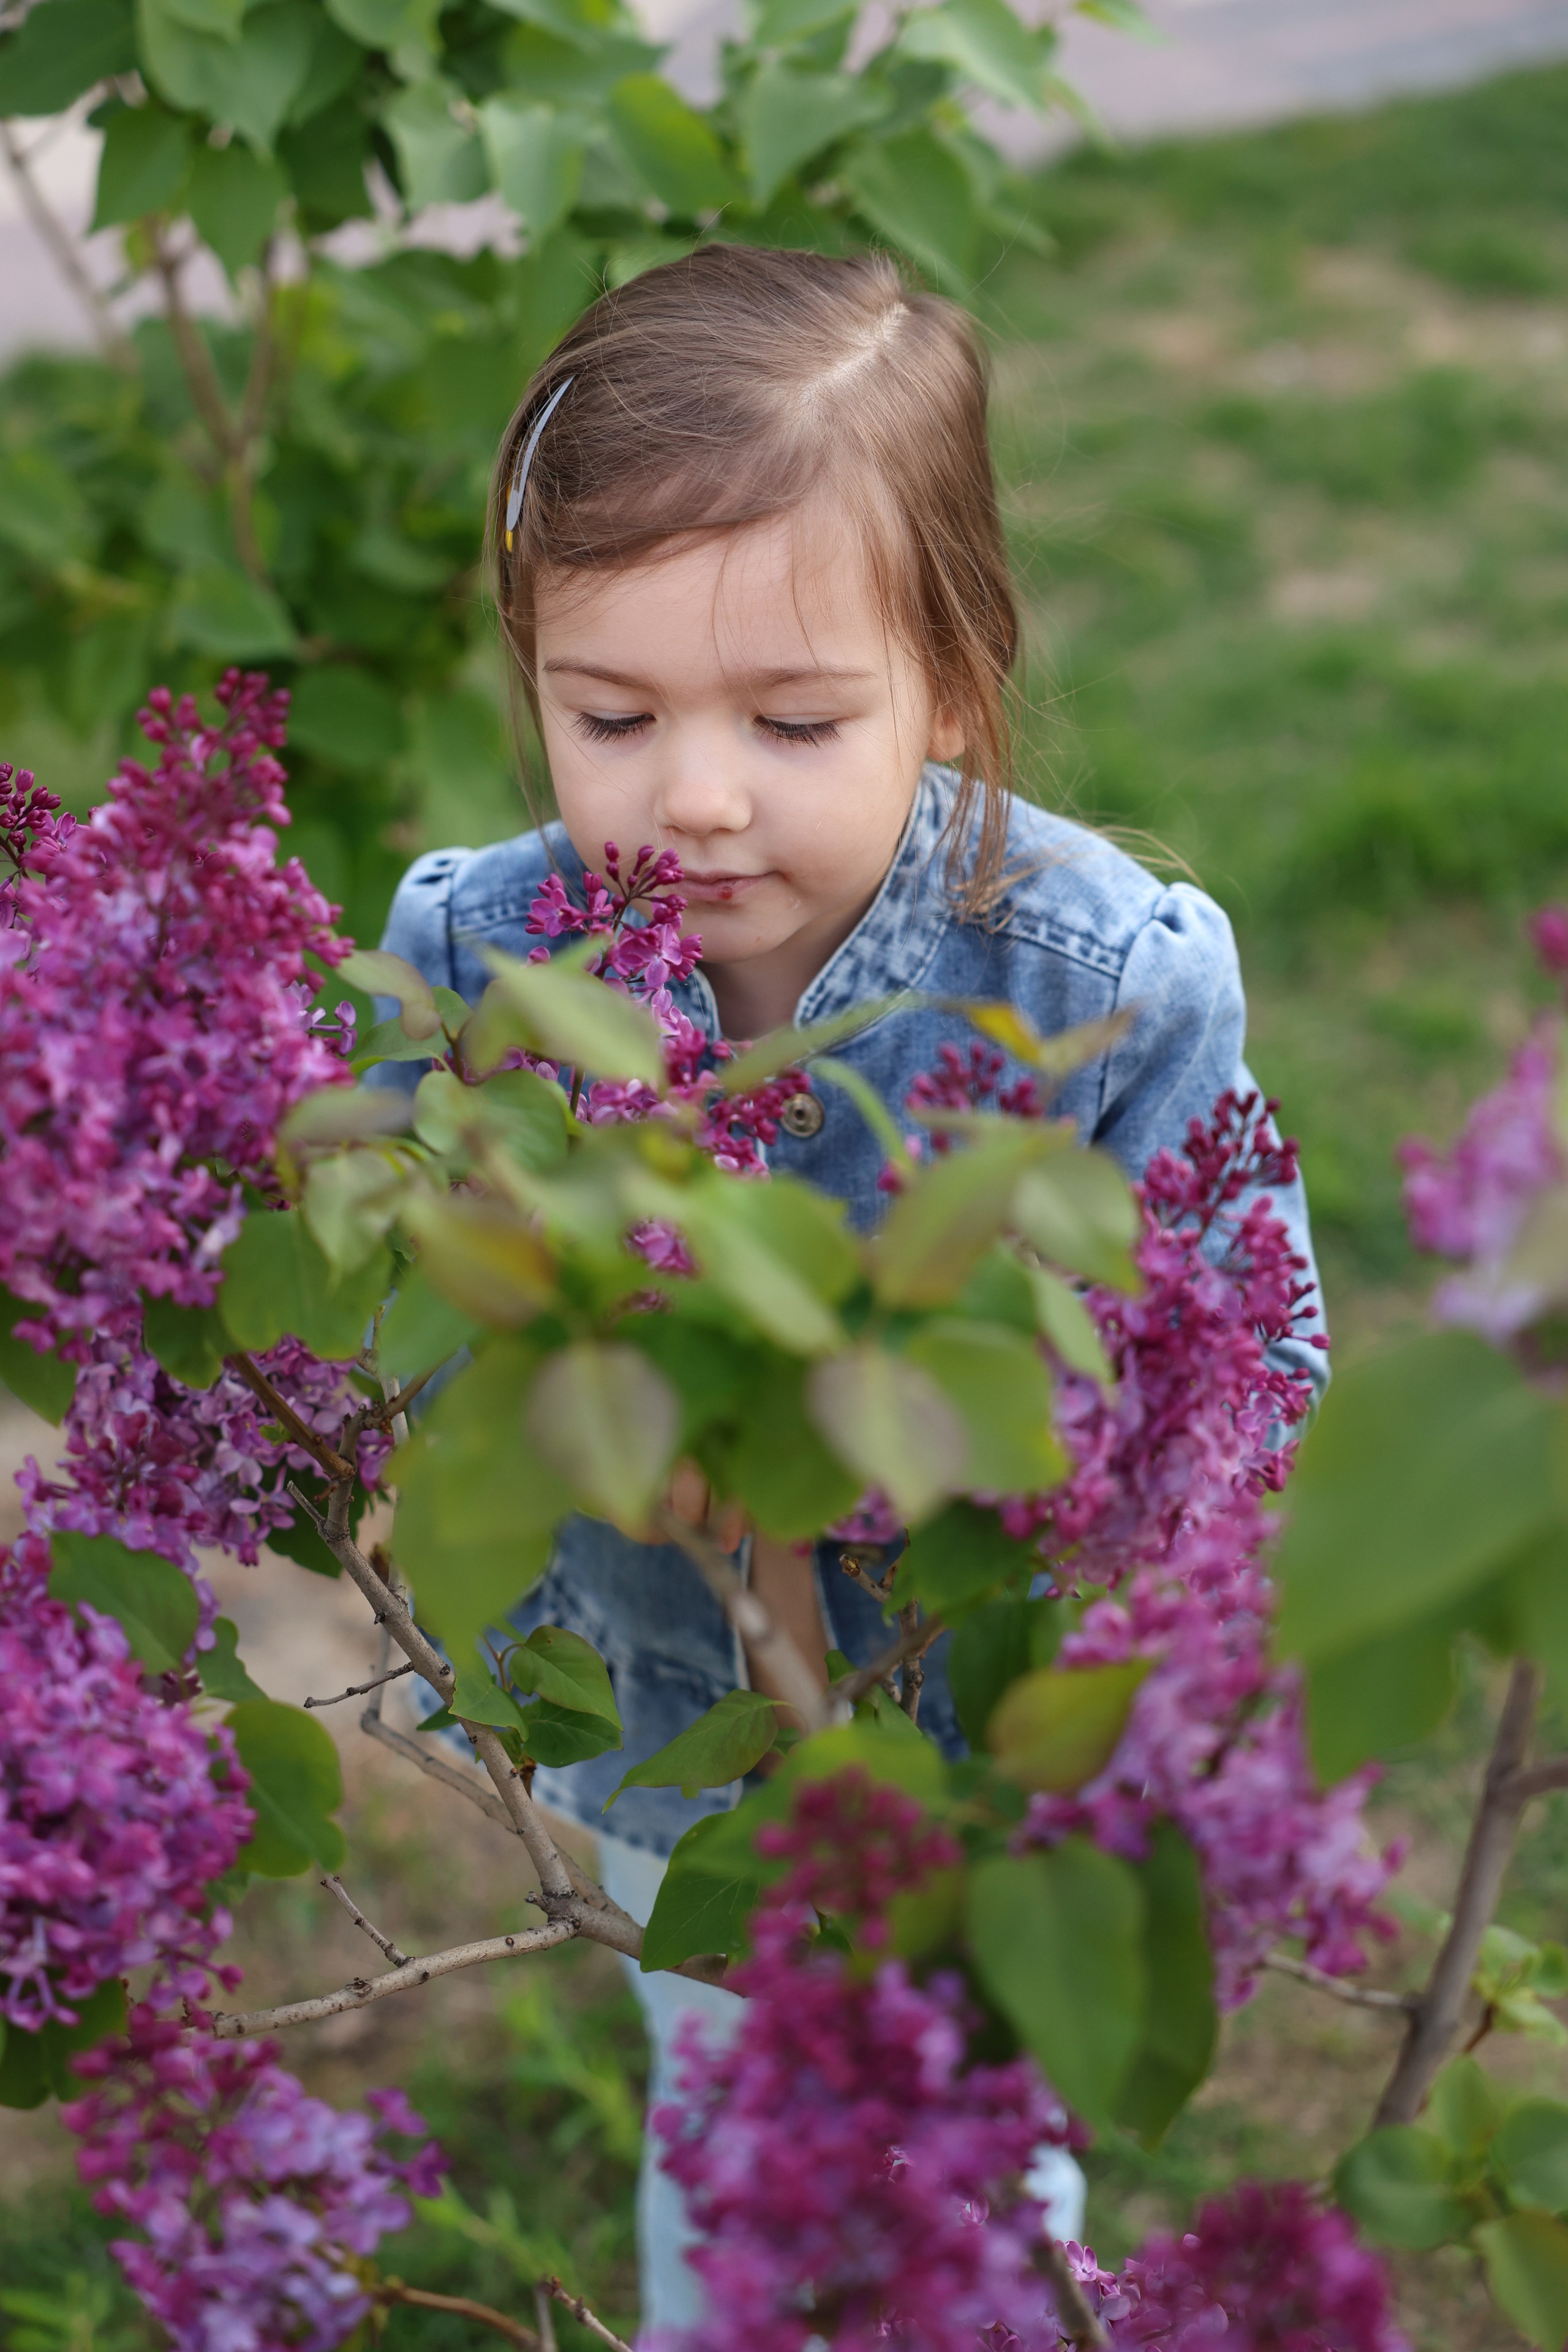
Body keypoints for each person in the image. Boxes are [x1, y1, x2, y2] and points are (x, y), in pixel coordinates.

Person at [374, 243, 1326, 2331]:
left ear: (953, 692)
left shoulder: (1101, 981)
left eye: (795, 721)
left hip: (989, 1741)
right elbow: (400, 1328)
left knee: (977, 2143)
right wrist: (576, 1420)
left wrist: (971, 1461)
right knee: (731, 2120)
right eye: (609, 715)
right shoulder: (479, 956)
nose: (693, 795)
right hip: (656, 1723)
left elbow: (1253, 1359)